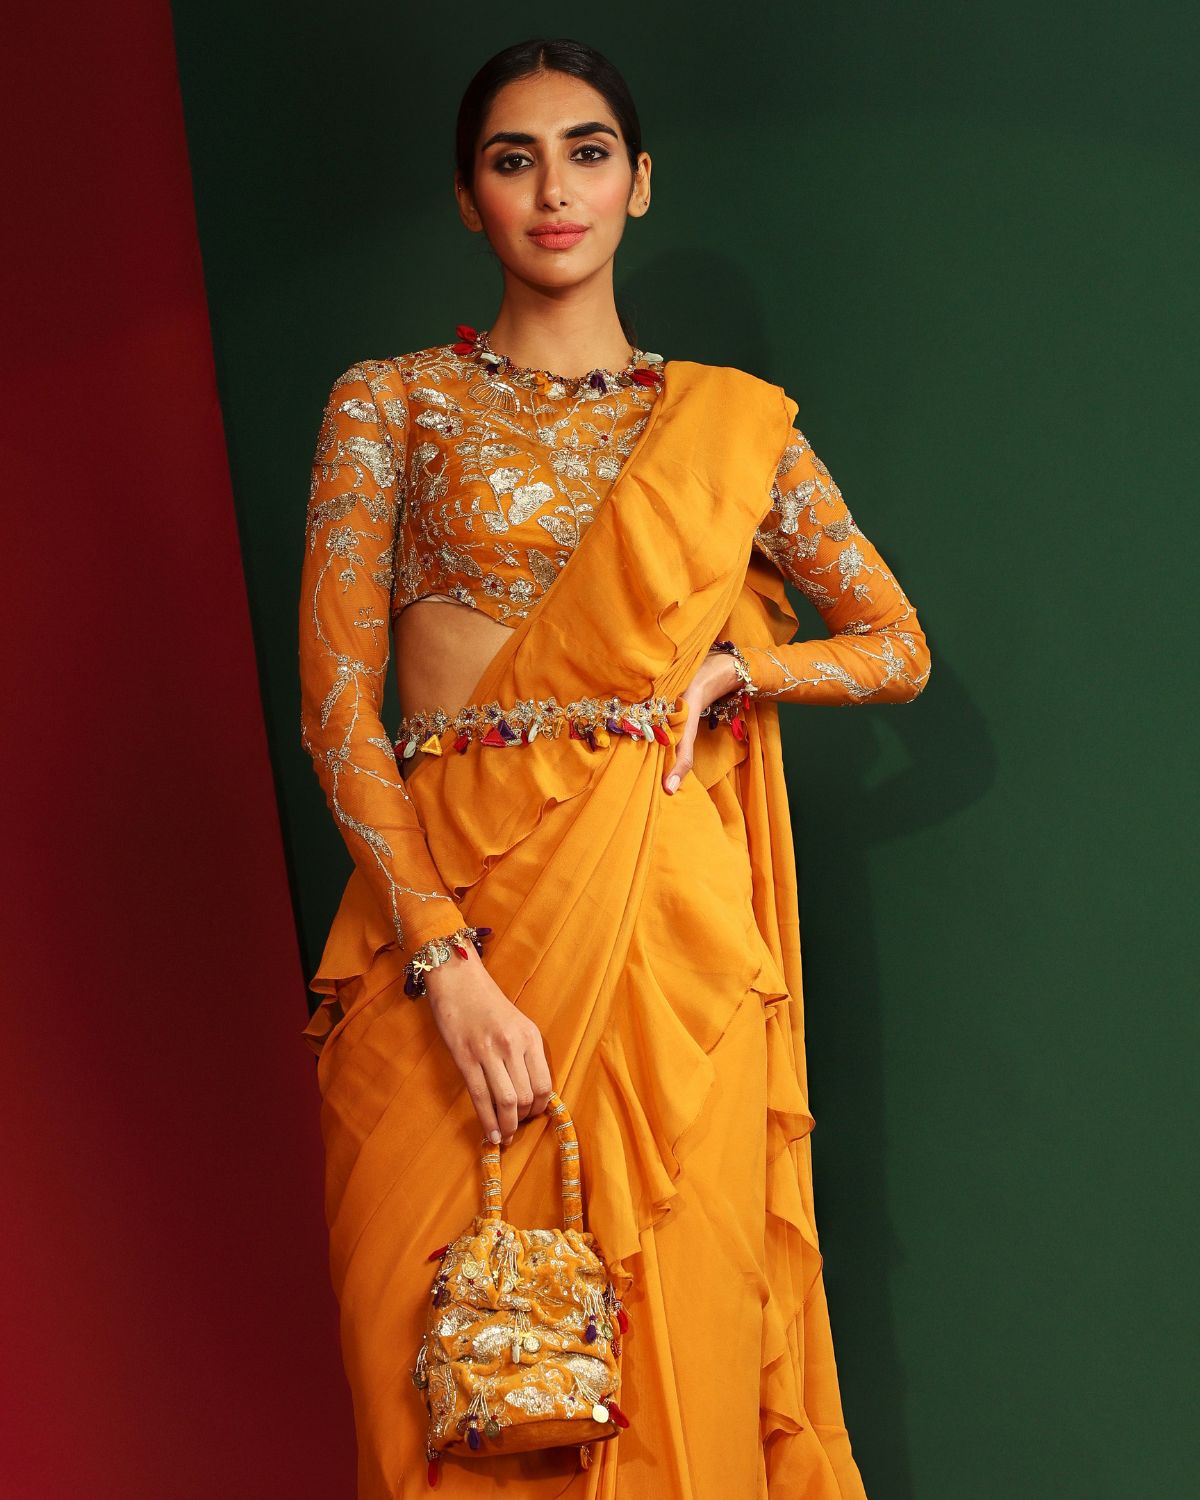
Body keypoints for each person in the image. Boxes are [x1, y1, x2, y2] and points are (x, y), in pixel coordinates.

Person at [297, 35, 930, 1500]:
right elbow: (337, 711)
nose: (553, 191)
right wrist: (447, 968)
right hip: (442, 933)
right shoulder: (391, 404)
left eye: (586, 154)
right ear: (468, 197)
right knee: (430, 1387)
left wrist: (744, 673)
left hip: (660, 932)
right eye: (512, 160)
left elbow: (894, 645)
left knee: (675, 1348)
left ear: (638, 182)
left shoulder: (727, 426)